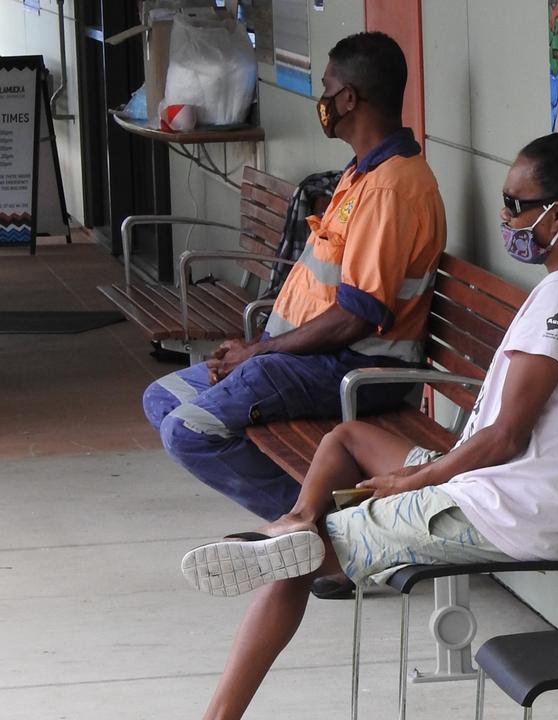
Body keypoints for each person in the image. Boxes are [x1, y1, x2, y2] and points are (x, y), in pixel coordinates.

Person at [179, 133, 558, 720]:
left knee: (299, 560)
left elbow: (506, 436)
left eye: (515, 205)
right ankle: (296, 520)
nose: (505, 217)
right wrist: (427, 474)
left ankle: (226, 692)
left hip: (507, 509)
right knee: (347, 439)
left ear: (557, 216)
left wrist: (417, 479)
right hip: (501, 489)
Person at [141, 32, 447, 522]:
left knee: (188, 430)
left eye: (327, 89)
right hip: (307, 359)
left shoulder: (392, 188)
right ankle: (320, 513)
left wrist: (257, 353)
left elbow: (358, 316)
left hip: (353, 368)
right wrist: (256, 350)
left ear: (349, 98)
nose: (321, 101)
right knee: (164, 397)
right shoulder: (363, 173)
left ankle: (323, 534)